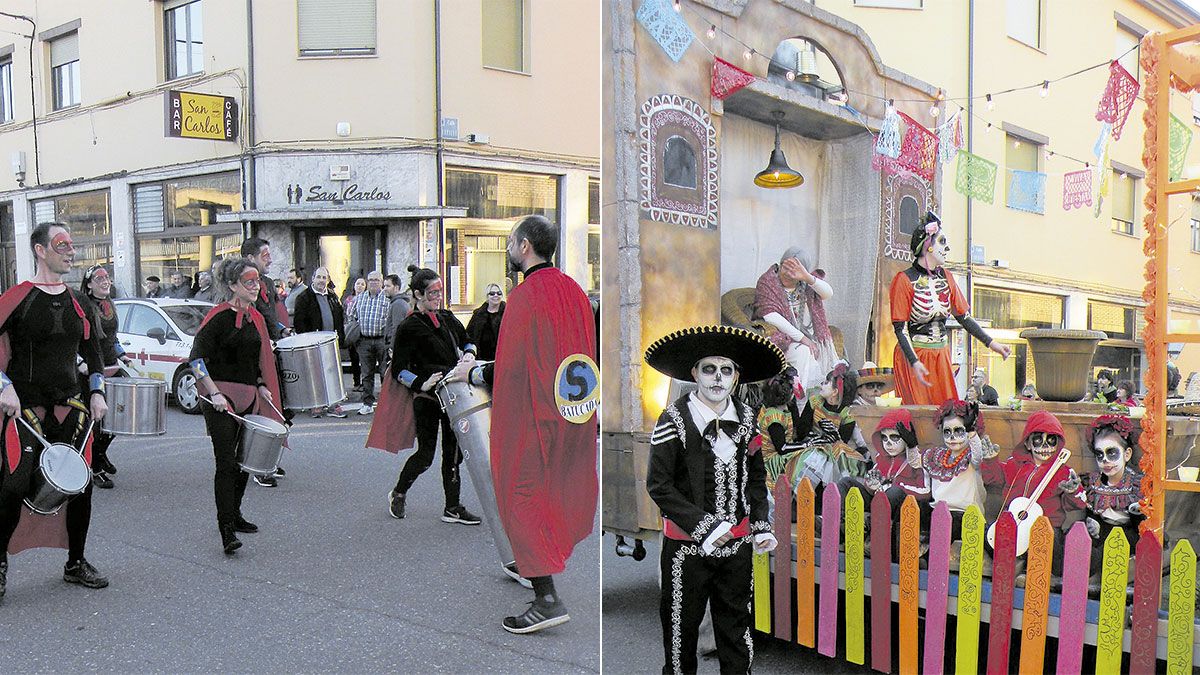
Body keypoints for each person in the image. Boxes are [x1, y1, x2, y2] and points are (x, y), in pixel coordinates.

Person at [445, 215, 600, 634]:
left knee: (521, 495)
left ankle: (546, 596)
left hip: (535, 416)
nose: (510, 249)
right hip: (573, 413)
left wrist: (473, 374)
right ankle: (533, 562)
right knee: (550, 493)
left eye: (512, 242)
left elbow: (515, 370)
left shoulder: (527, 296)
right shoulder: (573, 290)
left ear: (525, 245)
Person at [642, 324, 780, 673]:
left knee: (736, 630)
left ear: (736, 378)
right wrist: (704, 526)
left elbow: (756, 478)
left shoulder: (748, 420)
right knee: (680, 632)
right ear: (695, 374)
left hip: (736, 547)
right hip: (687, 549)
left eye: (726, 370)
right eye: (709, 369)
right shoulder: (673, 419)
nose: (717, 378)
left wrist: (761, 524)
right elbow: (659, 485)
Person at [0, 222, 111, 596]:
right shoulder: (17, 297)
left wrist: (96, 392)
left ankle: (75, 562)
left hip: (71, 406)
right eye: (62, 244)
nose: (71, 252)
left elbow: (94, 352)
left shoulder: (79, 302)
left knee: (81, 486)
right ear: (40, 250)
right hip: (24, 408)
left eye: (72, 245)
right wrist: (4, 387)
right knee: (13, 485)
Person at [370, 265, 481, 526]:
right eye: (433, 292)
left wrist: (469, 354)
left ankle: (452, 507)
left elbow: (467, 340)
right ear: (418, 294)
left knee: (453, 452)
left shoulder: (446, 316)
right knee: (426, 455)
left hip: (453, 395)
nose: (438, 296)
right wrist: (422, 383)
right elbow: (398, 369)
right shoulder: (409, 326)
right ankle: (399, 492)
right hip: (427, 398)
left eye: (440, 291)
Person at [188, 257, 285, 554]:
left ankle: (236, 514)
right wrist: (215, 394)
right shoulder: (218, 317)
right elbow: (196, 359)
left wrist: (261, 385)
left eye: (257, 281)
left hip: (249, 397)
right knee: (226, 464)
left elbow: (253, 361)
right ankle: (226, 529)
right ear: (232, 285)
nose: (256, 286)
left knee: (246, 461)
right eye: (249, 282)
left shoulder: (255, 318)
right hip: (220, 398)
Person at [891, 213, 1010, 404]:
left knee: (948, 411)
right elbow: (901, 329)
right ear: (928, 246)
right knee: (919, 415)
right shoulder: (904, 280)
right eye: (942, 242)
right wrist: (914, 362)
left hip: (941, 354)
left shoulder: (946, 277)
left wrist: (992, 343)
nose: (947, 248)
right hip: (915, 354)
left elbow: (964, 317)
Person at [981, 410, 1085, 577]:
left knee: (1050, 545)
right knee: (988, 535)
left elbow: (1076, 504)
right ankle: (1016, 564)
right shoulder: (1015, 465)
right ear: (1028, 444)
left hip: (1046, 527)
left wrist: (1073, 491)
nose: (1045, 447)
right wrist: (991, 460)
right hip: (1015, 524)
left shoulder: (1063, 472)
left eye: (1051, 441)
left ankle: (1032, 571)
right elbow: (994, 478)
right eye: (1038, 440)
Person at [836, 409, 929, 556]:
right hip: (877, 503)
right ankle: (841, 529)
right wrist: (871, 486)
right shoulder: (882, 458)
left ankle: (872, 538)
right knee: (845, 483)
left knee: (893, 492)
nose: (889, 443)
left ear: (906, 438)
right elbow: (871, 481)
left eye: (894, 437)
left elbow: (925, 491)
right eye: (884, 438)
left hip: (900, 510)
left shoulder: (917, 459)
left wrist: (893, 487)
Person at [920, 399, 997, 567]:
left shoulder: (972, 457)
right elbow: (915, 464)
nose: (953, 437)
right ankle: (926, 561)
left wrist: (971, 432)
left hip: (967, 514)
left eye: (959, 431)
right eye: (947, 432)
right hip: (940, 511)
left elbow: (978, 455)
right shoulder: (937, 456)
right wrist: (912, 446)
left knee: (987, 540)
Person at [753, 246, 839, 391]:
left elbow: (828, 293)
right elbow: (771, 316)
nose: (787, 273)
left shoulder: (807, 283)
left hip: (811, 338)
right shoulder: (768, 282)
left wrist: (807, 277)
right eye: (784, 267)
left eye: (794, 271)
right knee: (803, 352)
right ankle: (799, 401)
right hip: (782, 339)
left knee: (829, 365)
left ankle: (819, 404)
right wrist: (803, 339)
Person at [79, 265, 135, 489]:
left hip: (112, 365)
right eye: (99, 278)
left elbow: (112, 337)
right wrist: (80, 363)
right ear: (89, 284)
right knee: (97, 423)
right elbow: (76, 339)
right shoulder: (84, 306)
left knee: (117, 419)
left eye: (107, 277)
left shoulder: (109, 305)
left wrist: (123, 356)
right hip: (93, 370)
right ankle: (94, 467)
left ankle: (100, 454)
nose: (105, 281)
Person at [1081, 414, 1145, 585]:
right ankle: (1084, 575)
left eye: (1112, 453)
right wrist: (1091, 521)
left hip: (1127, 540)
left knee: (1116, 538)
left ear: (1127, 454)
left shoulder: (1137, 484)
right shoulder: (1092, 482)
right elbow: (1089, 512)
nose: (1106, 461)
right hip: (1098, 538)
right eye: (1100, 455)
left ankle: (1096, 578)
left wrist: (1128, 516)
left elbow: (1142, 526)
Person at [291, 267, 348, 418]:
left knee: (332, 375)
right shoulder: (304, 297)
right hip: (312, 345)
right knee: (314, 375)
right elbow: (299, 322)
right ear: (313, 279)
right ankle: (316, 405)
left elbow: (339, 319)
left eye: (324, 278)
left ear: (328, 280)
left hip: (331, 343)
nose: (321, 280)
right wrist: (306, 340)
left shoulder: (333, 297)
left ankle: (334, 404)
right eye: (319, 277)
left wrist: (340, 338)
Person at [347, 271, 389, 414]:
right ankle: (367, 403)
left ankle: (385, 403)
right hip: (364, 341)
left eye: (376, 280)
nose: (373, 283)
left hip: (382, 340)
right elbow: (351, 316)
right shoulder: (360, 298)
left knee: (385, 373)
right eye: (370, 280)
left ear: (382, 282)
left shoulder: (386, 299)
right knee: (367, 374)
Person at [241, 237, 288, 341]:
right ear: (250, 258)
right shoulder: (239, 287)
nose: (270, 260)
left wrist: (281, 329)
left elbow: (269, 316)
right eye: (265, 256)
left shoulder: (269, 283)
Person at [465, 282, 505, 361]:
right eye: (492, 293)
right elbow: (469, 336)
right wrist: (470, 352)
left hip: (502, 357)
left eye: (499, 293)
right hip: (482, 358)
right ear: (487, 296)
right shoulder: (478, 314)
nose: (496, 296)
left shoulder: (508, 313)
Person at [343, 277, 366, 390]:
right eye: (358, 284)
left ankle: (364, 382)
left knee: (363, 358)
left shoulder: (367, 299)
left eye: (362, 284)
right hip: (351, 331)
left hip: (363, 332)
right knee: (354, 358)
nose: (360, 286)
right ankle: (356, 382)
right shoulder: (348, 300)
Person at [383, 273, 411, 353]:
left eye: (388, 286)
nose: (384, 289)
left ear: (396, 288)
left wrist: (392, 348)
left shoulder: (398, 304)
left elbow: (397, 328)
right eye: (384, 286)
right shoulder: (396, 303)